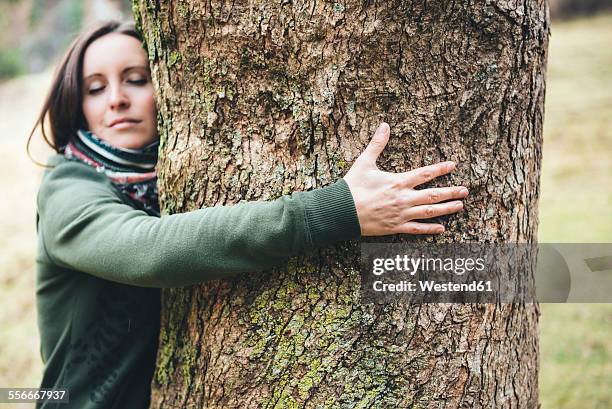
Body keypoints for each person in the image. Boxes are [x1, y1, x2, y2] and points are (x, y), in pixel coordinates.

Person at [29, 20, 469, 409]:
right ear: (76, 104)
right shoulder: (67, 190)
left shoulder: (166, 180)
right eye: (95, 88)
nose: (118, 99)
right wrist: (337, 210)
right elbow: (148, 250)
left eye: (136, 79)